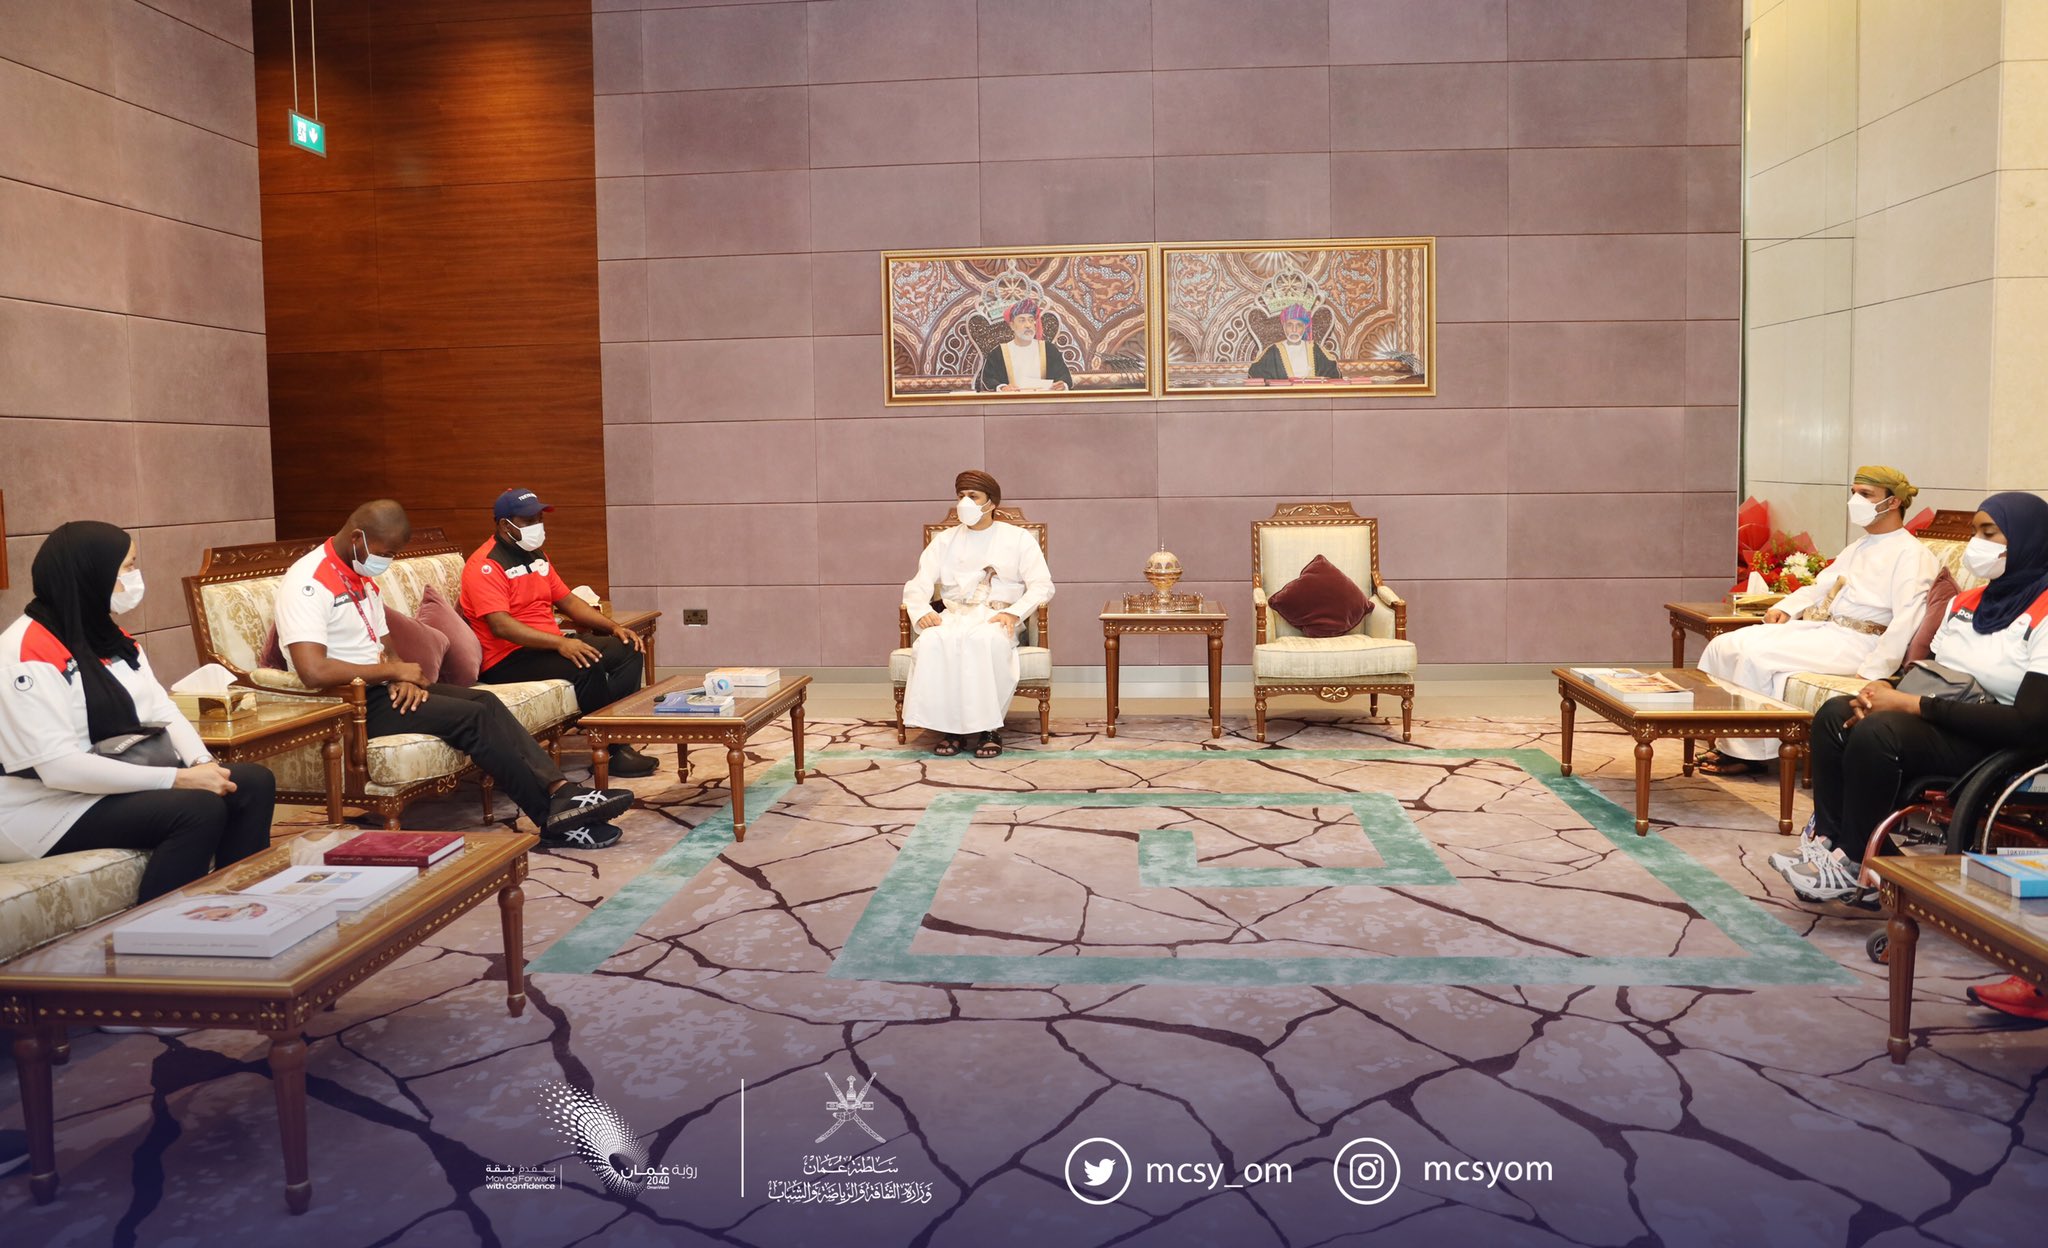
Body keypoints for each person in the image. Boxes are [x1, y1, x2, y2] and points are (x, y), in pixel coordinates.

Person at [275, 500, 634, 850]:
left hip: (383, 688)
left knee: (485, 701)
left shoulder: (359, 575)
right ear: (358, 538)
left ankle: (562, 792)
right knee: (473, 717)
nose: (388, 561)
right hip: (348, 705)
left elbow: (381, 642)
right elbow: (313, 671)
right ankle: (552, 820)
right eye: (386, 553)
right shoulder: (308, 581)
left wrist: (399, 675)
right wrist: (392, 670)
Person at [1778, 493, 2048, 951]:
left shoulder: (2044, 612)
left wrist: (1910, 706)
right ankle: (1831, 842)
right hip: (1947, 720)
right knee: (1836, 714)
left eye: (1989, 533)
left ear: (2027, 540)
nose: (1975, 544)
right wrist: (1884, 692)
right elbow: (1931, 674)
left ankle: (1854, 861)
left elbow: (2030, 723)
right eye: (1974, 532)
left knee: (1880, 732)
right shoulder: (1967, 603)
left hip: (2004, 744)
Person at [0, 521, 277, 902]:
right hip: (40, 807)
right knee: (198, 809)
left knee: (253, 783)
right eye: (128, 567)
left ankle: (238, 905)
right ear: (93, 574)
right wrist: (178, 779)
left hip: (106, 782)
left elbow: (162, 709)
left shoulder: (111, 639)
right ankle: (163, 928)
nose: (135, 577)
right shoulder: (23, 653)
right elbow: (58, 767)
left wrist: (202, 764)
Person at [1696, 466, 1938, 776]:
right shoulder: (1860, 546)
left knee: (1756, 655)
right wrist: (1787, 608)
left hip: (1861, 643)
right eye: (1854, 493)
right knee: (1726, 643)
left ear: (1893, 502)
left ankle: (1748, 754)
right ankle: (1719, 736)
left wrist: (1875, 670)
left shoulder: (1912, 555)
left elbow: (1908, 618)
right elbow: (1820, 586)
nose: (1855, 501)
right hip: (1829, 631)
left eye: (1866, 495)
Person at [462, 488, 658, 778]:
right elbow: (501, 626)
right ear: (505, 525)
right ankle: (610, 750)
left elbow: (568, 602)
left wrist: (614, 628)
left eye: (539, 519)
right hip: (507, 658)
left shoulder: (536, 556)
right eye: (529, 521)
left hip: (547, 646)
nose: (537, 526)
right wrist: (560, 644)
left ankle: (613, 733)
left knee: (629, 648)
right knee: (587, 663)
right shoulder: (485, 565)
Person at [900, 470, 1055, 759]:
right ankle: (950, 729)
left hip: (997, 616)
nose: (965, 503)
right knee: (932, 642)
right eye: (961, 496)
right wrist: (921, 612)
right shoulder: (945, 540)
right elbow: (918, 584)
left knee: (985, 641)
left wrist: (1014, 613)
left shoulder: (1018, 538)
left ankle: (989, 730)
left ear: (991, 502)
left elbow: (1042, 586)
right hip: (954, 615)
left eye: (973, 496)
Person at [976, 300, 1073, 393]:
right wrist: (1003, 388)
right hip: (1011, 402)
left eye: (1031, 320)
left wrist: (1062, 385)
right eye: (1022, 320)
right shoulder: (998, 353)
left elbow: (1064, 376)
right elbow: (987, 380)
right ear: (1012, 325)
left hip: (1044, 402)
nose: (1028, 325)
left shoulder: (1049, 350)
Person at [1246, 304, 1342, 384]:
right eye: (1290, 325)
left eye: (1299, 325)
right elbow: (1255, 375)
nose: (1294, 330)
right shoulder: (1272, 352)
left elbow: (1333, 375)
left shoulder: (1316, 350)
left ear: (1304, 328)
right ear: (1284, 327)